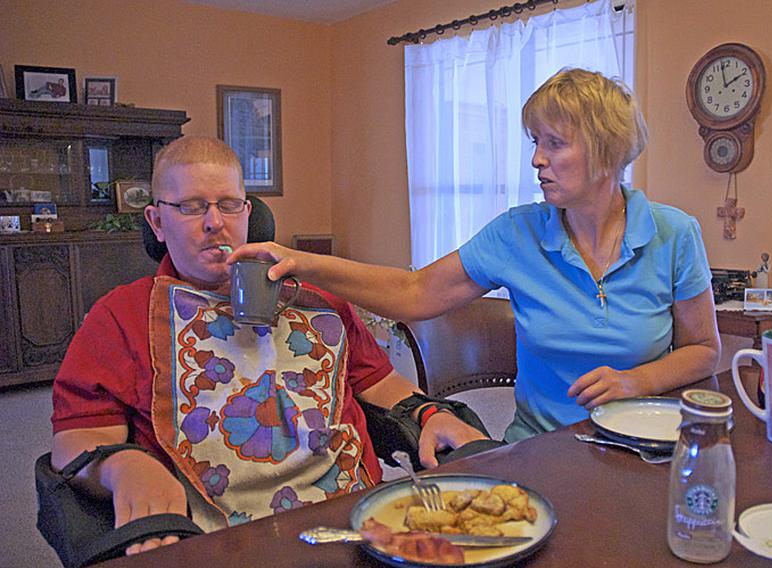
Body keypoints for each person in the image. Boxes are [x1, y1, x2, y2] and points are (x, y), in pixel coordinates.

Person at [230, 68, 720, 443]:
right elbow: (414, 291)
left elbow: (704, 349)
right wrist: (300, 261)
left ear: (607, 151)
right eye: (535, 142)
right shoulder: (516, 233)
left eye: (554, 143)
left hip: (644, 446)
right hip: (540, 452)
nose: (536, 159)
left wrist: (638, 381)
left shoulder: (673, 234)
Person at [50, 136, 486, 556]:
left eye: (228, 205)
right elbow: (76, 435)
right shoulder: (121, 315)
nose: (214, 222)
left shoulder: (318, 299)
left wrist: (431, 413)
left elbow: (381, 383)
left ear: (248, 211)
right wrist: (122, 466)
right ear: (157, 222)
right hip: (210, 537)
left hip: (355, 520)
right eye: (191, 207)